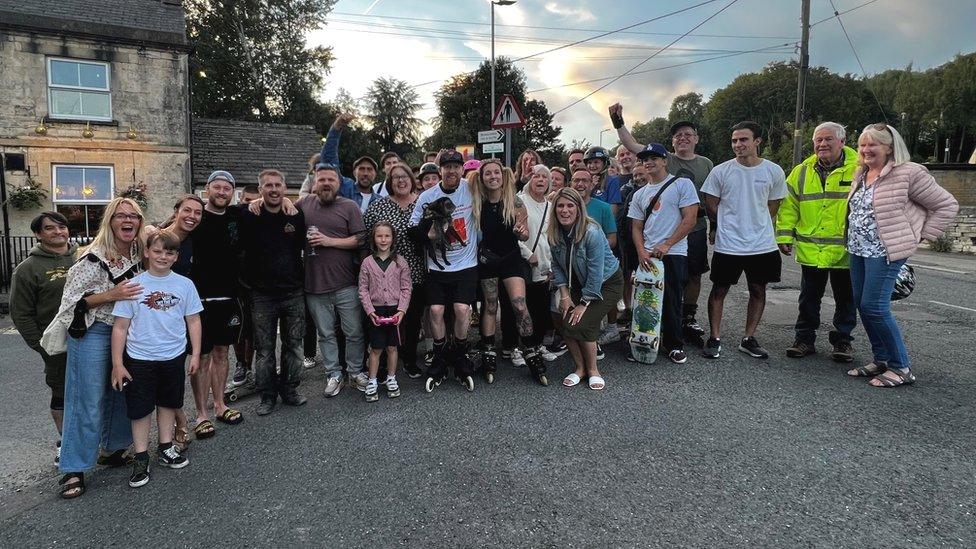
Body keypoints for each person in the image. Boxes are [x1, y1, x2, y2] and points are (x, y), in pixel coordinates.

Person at [845, 123, 958, 387]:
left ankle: (900, 366)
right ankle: (882, 359)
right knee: (862, 304)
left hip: (885, 252)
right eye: (862, 144)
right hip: (859, 249)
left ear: (889, 147)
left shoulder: (908, 173)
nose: (866, 149)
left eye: (873, 144)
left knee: (875, 306)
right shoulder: (862, 173)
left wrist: (922, 235)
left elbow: (946, 204)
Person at [46, 197, 144, 499]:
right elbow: (72, 303)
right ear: (110, 221)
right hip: (93, 331)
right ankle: (73, 467)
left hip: (127, 331)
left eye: (133, 216)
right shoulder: (92, 257)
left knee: (121, 392)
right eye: (120, 216)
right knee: (85, 399)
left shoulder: (141, 253)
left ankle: (113, 449)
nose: (127, 221)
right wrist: (111, 294)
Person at [610, 104, 715, 343]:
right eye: (678, 135)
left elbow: (711, 199)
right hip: (660, 235)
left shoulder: (706, 164)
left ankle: (687, 317)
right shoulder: (668, 160)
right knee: (656, 285)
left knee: (693, 275)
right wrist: (618, 122)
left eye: (688, 134)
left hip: (694, 227)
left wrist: (714, 226)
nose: (683, 138)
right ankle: (653, 329)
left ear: (696, 139)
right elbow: (633, 145)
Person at [110, 231, 203, 488]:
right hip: (140, 358)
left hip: (173, 356)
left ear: (176, 257)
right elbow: (120, 327)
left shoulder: (185, 285)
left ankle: (165, 447)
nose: (163, 256)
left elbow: (193, 320)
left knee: (168, 403)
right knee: (140, 409)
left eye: (169, 252)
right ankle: (141, 456)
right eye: (158, 251)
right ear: (147, 252)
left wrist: (194, 354)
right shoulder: (134, 285)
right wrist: (118, 363)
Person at [700, 121, 787, 360]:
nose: (738, 145)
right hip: (729, 244)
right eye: (734, 140)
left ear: (757, 141)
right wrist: (727, 224)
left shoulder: (773, 171)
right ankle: (714, 337)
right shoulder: (720, 171)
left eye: (743, 140)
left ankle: (748, 338)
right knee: (719, 289)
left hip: (762, 245)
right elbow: (711, 203)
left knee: (758, 290)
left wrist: (753, 222)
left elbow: (773, 205)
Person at [776, 122, 859, 362]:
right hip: (812, 248)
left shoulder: (859, 169)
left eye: (828, 139)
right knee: (808, 298)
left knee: (846, 299)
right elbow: (789, 206)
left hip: (846, 249)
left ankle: (842, 342)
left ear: (842, 142)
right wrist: (784, 235)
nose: (822, 144)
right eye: (818, 140)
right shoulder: (801, 171)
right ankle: (804, 339)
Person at [10, 211, 78, 465]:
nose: (58, 232)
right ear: (38, 234)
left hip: (89, 336)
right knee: (62, 393)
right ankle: (67, 441)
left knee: (91, 391)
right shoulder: (28, 269)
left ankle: (92, 439)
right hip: (56, 343)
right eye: (50, 228)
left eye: (61, 227)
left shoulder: (83, 256)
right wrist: (41, 345)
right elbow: (21, 314)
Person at [408, 149, 479, 391]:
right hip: (436, 266)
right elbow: (411, 227)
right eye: (446, 166)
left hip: (466, 264)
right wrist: (425, 234)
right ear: (439, 169)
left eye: (455, 166)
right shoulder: (428, 195)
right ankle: (439, 357)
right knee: (436, 311)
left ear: (462, 169)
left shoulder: (471, 189)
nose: (451, 170)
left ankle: (459, 354)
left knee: (461, 309)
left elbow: (502, 190)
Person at [238, 170, 307, 415]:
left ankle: (290, 389)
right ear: (260, 190)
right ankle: (267, 396)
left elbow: (304, 247)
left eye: (278, 185)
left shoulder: (296, 215)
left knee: (294, 346)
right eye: (268, 186)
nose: (274, 189)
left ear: (285, 188)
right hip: (262, 295)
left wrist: (290, 202)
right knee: (264, 350)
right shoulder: (248, 214)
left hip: (293, 291)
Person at [298, 163, 368, 398]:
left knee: (354, 332)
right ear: (314, 183)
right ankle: (333, 374)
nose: (326, 183)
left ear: (339, 183)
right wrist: (256, 202)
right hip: (315, 285)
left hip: (346, 283)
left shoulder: (349, 206)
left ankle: (355, 371)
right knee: (325, 334)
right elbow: (282, 210)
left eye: (331, 180)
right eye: (322, 180)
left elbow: (360, 239)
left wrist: (329, 241)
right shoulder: (304, 204)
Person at [627, 143, 700, 364]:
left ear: (665, 160)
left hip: (674, 252)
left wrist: (667, 245)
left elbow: (690, 219)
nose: (649, 162)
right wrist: (641, 252)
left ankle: (674, 345)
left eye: (654, 158)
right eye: (645, 159)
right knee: (644, 300)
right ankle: (644, 342)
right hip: (648, 255)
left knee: (671, 299)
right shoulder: (639, 194)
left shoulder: (682, 185)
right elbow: (636, 227)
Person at [185, 171, 245, 438]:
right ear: (207, 188)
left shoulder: (236, 216)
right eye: (217, 187)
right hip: (199, 299)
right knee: (202, 356)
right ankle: (201, 413)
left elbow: (258, 205)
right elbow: (164, 232)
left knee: (222, 353)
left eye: (227, 188)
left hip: (229, 297)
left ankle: (220, 404)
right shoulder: (195, 217)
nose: (222, 192)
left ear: (233, 192)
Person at [470, 159, 540, 383]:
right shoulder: (477, 203)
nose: (492, 177)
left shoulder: (515, 201)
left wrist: (521, 232)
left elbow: (525, 235)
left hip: (511, 258)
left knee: (519, 304)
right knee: (490, 305)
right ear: (482, 178)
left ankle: (530, 349)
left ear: (503, 175)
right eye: (488, 173)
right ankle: (488, 349)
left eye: (496, 173)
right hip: (488, 259)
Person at [548, 188, 623, 390]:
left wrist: (583, 303)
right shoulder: (554, 232)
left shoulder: (592, 232)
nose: (565, 210)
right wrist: (564, 294)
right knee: (565, 323)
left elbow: (596, 272)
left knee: (583, 322)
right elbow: (556, 265)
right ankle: (579, 368)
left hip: (607, 283)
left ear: (579, 209)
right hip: (577, 284)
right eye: (560, 206)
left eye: (570, 205)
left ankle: (593, 370)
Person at [363, 163, 426, 378]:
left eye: (405, 176)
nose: (401, 181)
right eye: (395, 177)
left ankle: (408, 359)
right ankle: (382, 364)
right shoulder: (378, 207)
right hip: (384, 274)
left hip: (416, 271)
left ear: (412, 179)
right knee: (385, 319)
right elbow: (367, 239)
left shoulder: (422, 204)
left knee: (412, 318)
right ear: (389, 183)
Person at [357, 222, 411, 402]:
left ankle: (391, 378)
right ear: (374, 238)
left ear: (393, 238)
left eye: (387, 236)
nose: (383, 239)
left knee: (392, 347)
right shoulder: (367, 263)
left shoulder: (400, 262)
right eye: (379, 236)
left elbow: (406, 288)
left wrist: (402, 310)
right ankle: (372, 381)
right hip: (376, 311)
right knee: (376, 347)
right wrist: (370, 311)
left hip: (395, 311)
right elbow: (363, 289)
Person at [570, 166, 617, 353]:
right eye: (576, 180)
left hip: (598, 266)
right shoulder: (565, 205)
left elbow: (612, 238)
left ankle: (598, 337)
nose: (580, 184)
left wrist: (593, 250)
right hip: (573, 268)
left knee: (595, 304)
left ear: (592, 184)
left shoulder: (603, 208)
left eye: (584, 181)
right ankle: (580, 339)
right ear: (571, 183)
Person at [517, 164, 554, 378]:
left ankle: (539, 345)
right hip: (526, 260)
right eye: (537, 176)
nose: (541, 180)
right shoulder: (520, 201)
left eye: (545, 177)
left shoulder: (551, 206)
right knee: (524, 307)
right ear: (530, 179)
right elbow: (513, 232)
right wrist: (525, 253)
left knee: (541, 306)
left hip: (545, 262)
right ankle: (524, 346)